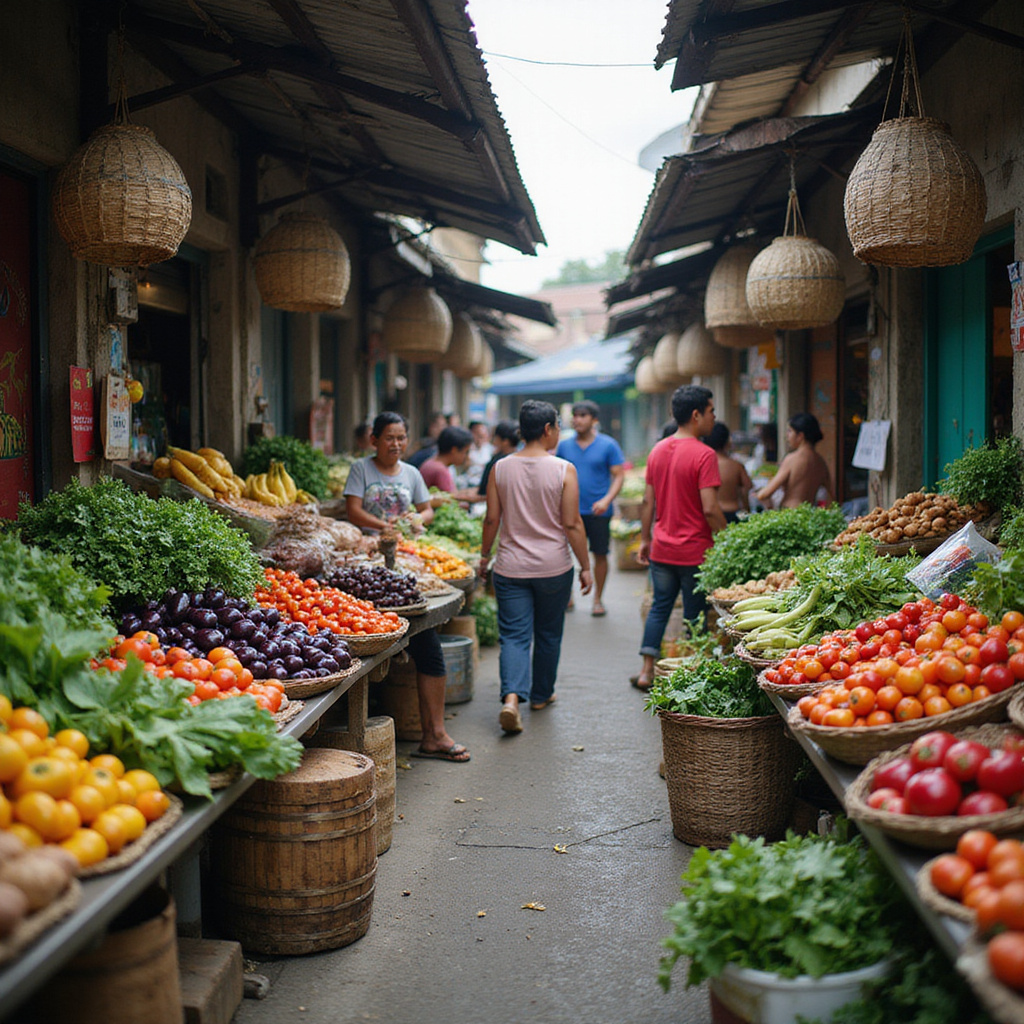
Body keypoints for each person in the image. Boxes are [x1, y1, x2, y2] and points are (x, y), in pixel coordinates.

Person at [343, 411, 469, 762]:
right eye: (388, 438)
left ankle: (435, 734)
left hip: (406, 565)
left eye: (401, 438)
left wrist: (412, 521)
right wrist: (383, 526)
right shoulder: (361, 469)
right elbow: (352, 510)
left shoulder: (412, 473)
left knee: (427, 641)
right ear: (374, 440)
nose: (396, 444)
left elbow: (426, 510)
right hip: (364, 567)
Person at [479, 400, 593, 735]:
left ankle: (512, 699)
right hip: (554, 569)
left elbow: (491, 519)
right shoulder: (563, 469)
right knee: (548, 632)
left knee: (513, 636)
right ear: (547, 430)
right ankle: (541, 695)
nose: (559, 431)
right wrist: (585, 566)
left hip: (511, 568)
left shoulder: (500, 468)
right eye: (557, 425)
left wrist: (484, 556)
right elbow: (572, 524)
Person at [633, 385, 727, 692]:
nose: (715, 417)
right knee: (694, 614)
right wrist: (728, 539)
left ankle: (647, 671)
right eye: (712, 411)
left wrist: (645, 538)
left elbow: (648, 502)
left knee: (660, 607)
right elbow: (711, 508)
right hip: (695, 552)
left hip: (661, 548)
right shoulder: (705, 454)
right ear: (696, 415)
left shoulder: (657, 450)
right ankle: (691, 674)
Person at [556, 400, 624, 617]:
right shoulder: (564, 446)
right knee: (564, 554)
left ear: (594, 420)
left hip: (598, 511)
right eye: (575, 415)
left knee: (600, 554)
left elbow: (618, 475)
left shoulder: (608, 445)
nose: (577, 419)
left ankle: (597, 599)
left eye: (583, 415)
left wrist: (607, 500)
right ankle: (567, 596)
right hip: (569, 512)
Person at [756, 412, 834, 509]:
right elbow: (831, 496)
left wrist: (760, 494)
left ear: (800, 436)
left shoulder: (792, 459)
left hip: (789, 513)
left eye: (790, 431)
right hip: (809, 515)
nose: (787, 436)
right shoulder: (820, 462)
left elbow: (765, 494)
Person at [418, 425, 482, 504]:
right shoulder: (440, 470)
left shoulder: (432, 463)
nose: (467, 457)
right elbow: (450, 500)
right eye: (466, 452)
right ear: (454, 450)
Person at [705, 422, 753, 523]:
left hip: (710, 515)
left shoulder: (703, 465)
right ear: (727, 442)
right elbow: (747, 487)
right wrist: (747, 510)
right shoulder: (736, 466)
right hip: (733, 512)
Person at [477, 419, 520, 497]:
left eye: (495, 437)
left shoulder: (497, 463)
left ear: (505, 441)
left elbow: (484, 493)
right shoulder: (522, 459)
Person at [459, 420, 494, 490]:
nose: (480, 439)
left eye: (483, 435)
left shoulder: (490, 449)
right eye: (478, 435)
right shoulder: (465, 449)